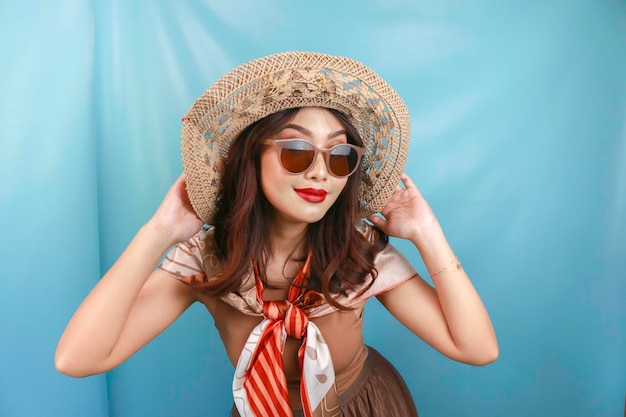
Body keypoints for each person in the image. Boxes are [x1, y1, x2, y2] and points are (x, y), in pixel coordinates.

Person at [55, 51, 498, 417]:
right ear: (252, 157)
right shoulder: (208, 259)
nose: (321, 172)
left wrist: (426, 232)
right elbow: (77, 359)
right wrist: (158, 232)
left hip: (366, 406)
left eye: (340, 156)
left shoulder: (357, 251)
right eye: (297, 150)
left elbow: (477, 349)